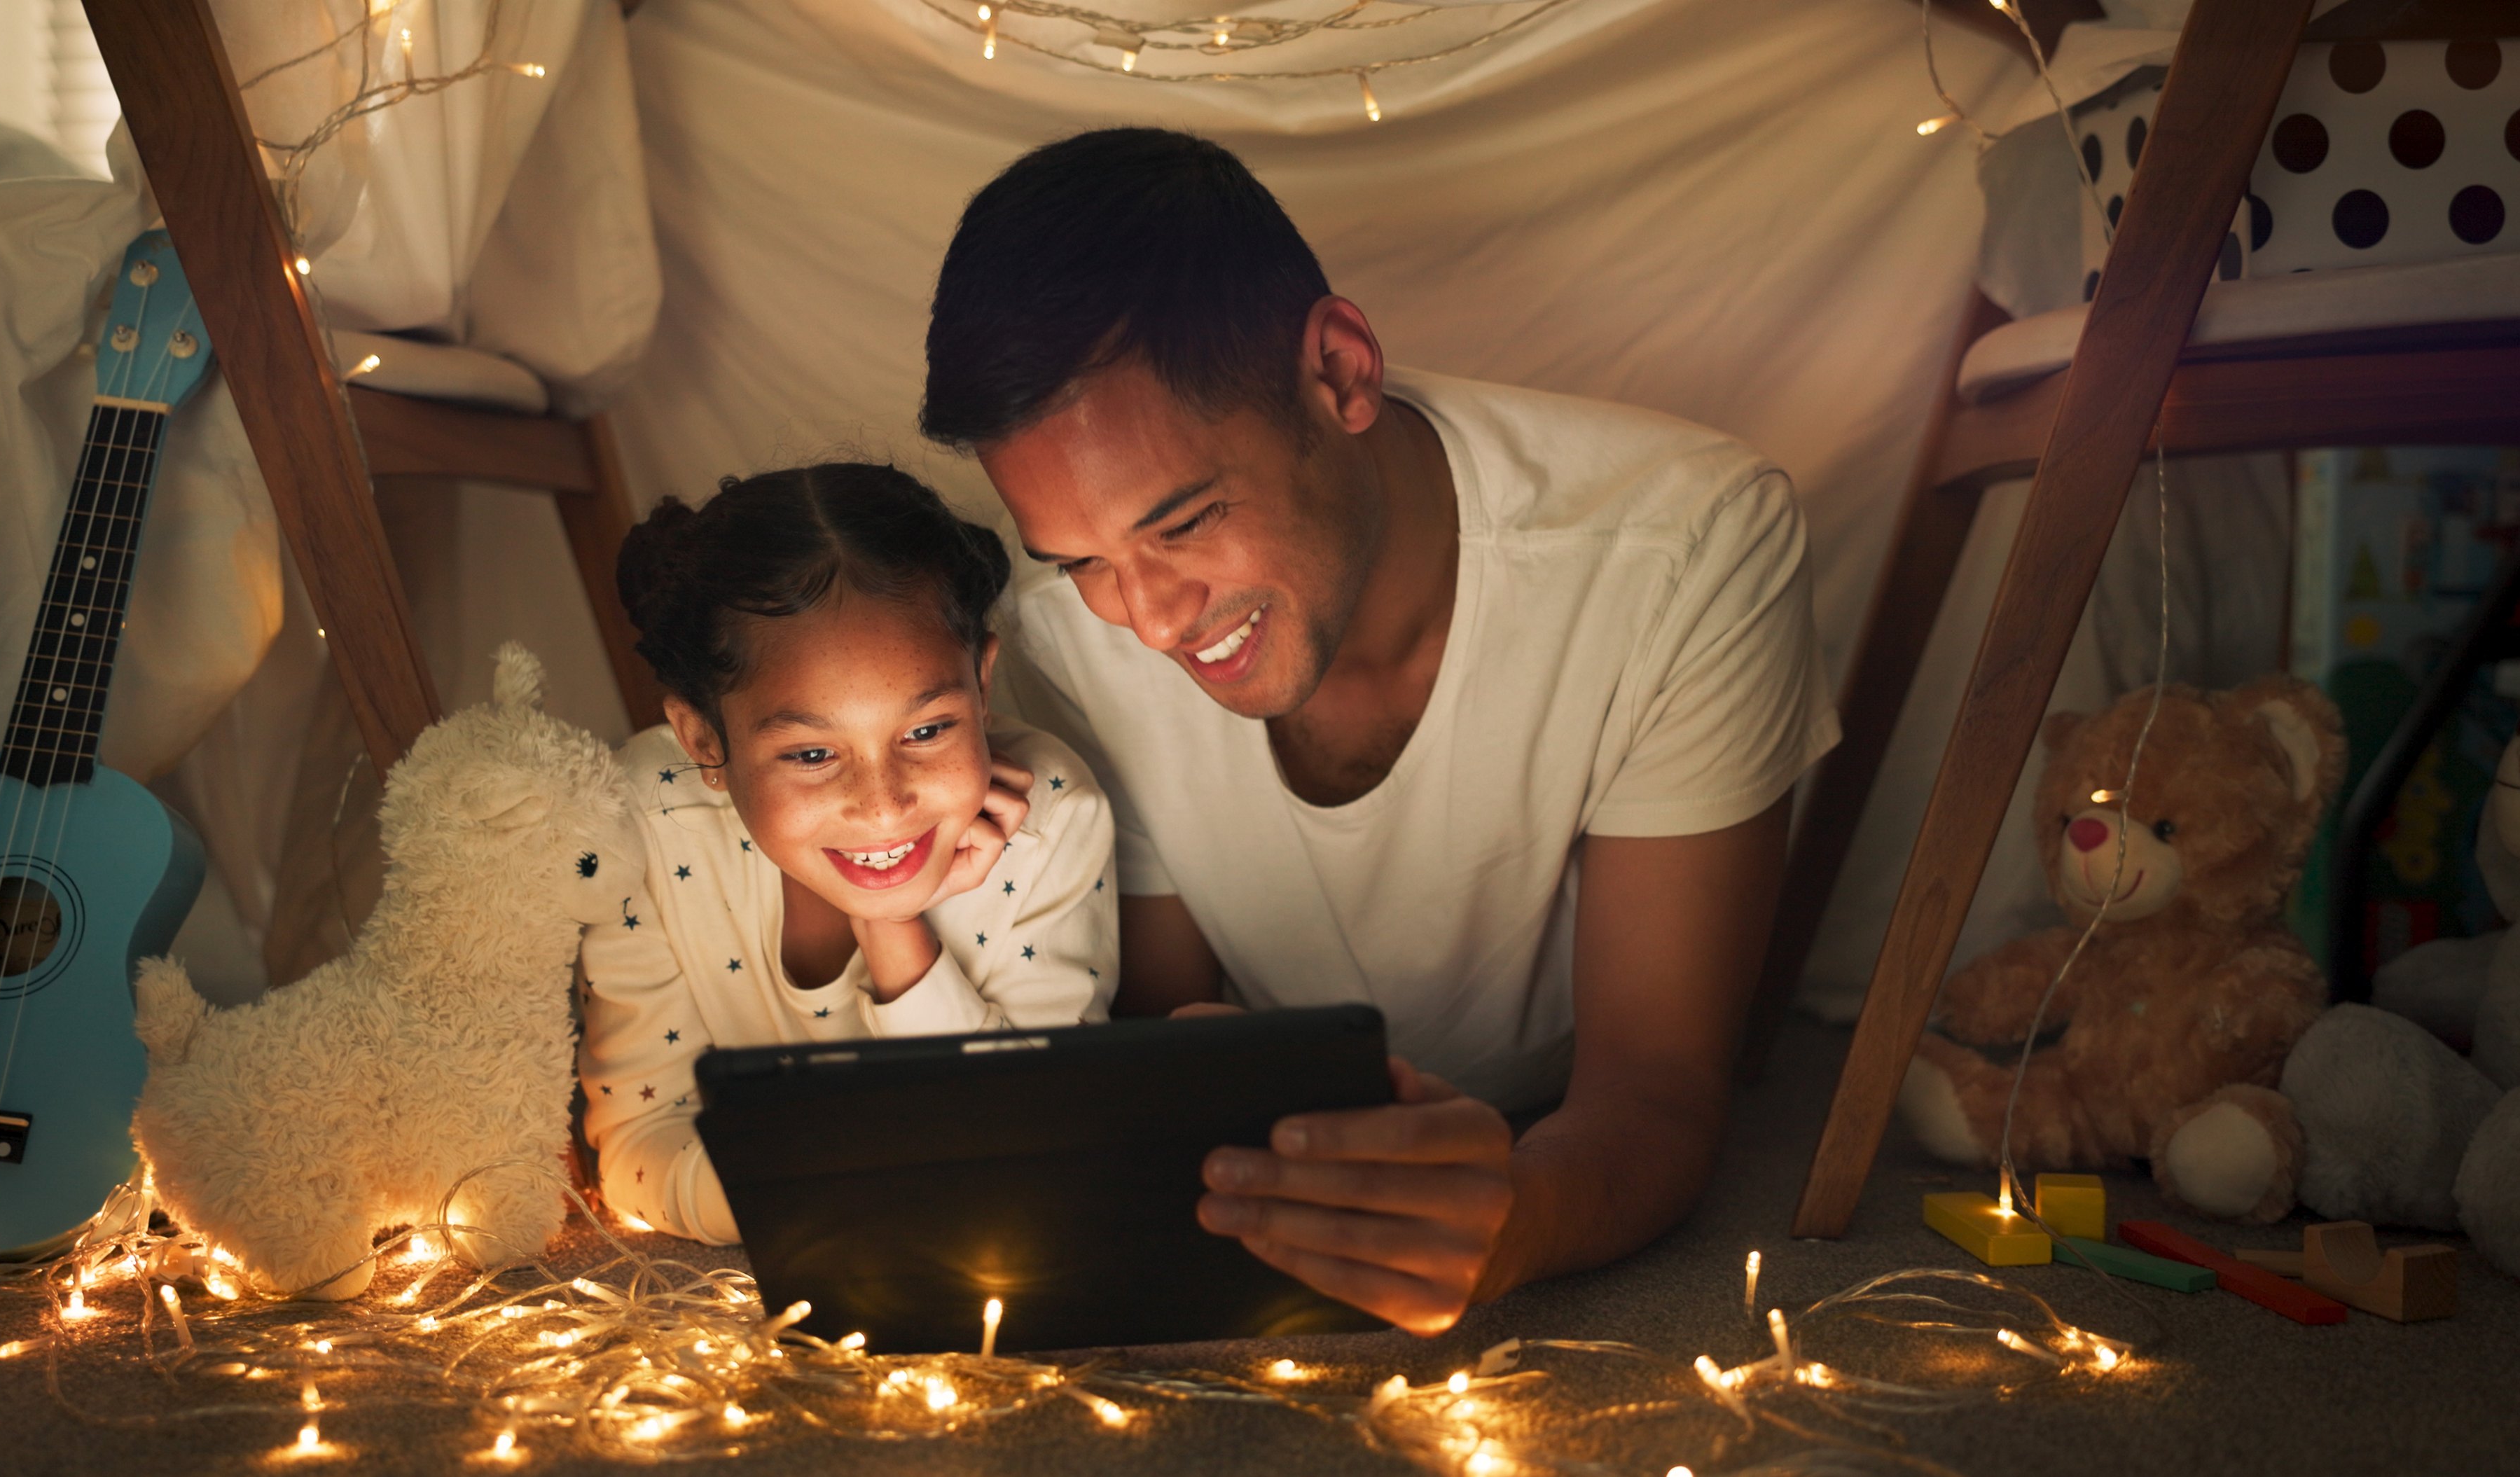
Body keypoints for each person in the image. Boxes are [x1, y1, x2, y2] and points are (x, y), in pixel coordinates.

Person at [922, 128, 1840, 1335]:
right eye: (1085, 559)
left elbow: (1660, 1089)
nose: (1146, 618)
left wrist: (1520, 1215)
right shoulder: (1062, 635)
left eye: (1187, 520)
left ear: (1342, 371)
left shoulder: (1685, 544)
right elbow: (1158, 1013)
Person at [578, 463, 1116, 1242]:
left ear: (982, 683)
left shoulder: (1052, 819)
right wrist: (857, 1202)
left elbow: (1032, 1145)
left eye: (927, 731)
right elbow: (637, 1145)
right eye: (810, 755)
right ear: (703, 740)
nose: (883, 803)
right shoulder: (645, 820)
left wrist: (893, 925)